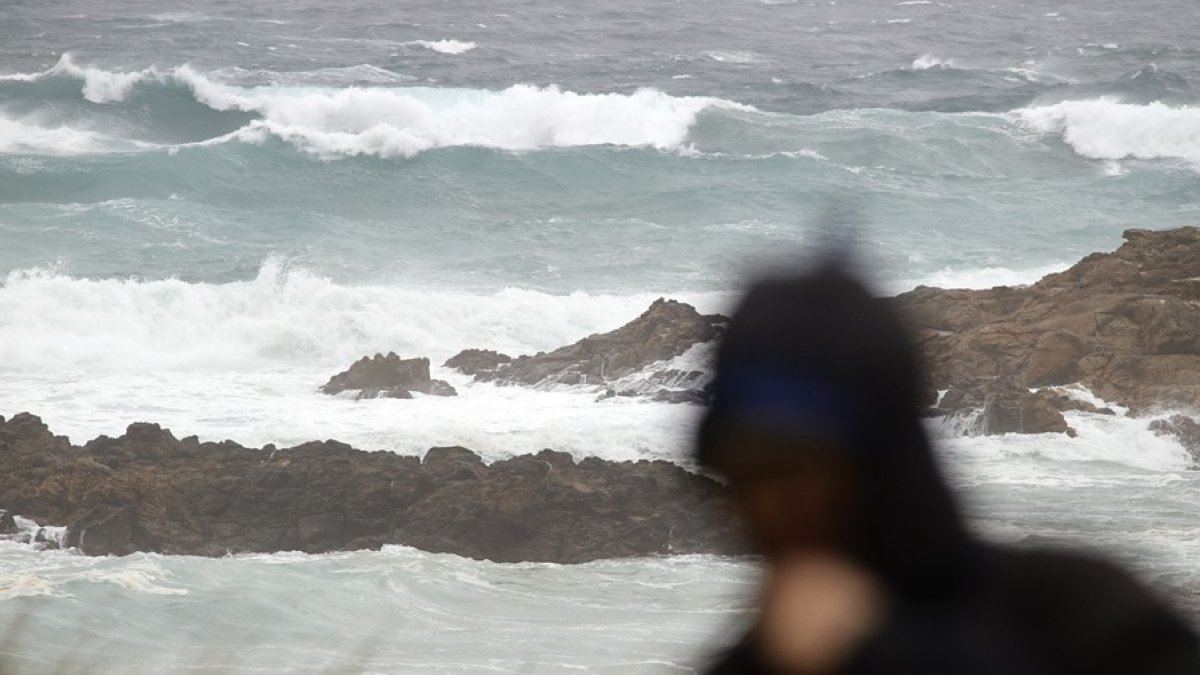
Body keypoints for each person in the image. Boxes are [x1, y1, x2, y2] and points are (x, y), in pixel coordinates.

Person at [696, 261, 1200, 674]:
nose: (766, 505)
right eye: (743, 472)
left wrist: (887, 656)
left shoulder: (1076, 613)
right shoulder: (756, 664)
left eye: (798, 469)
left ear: (885, 457)